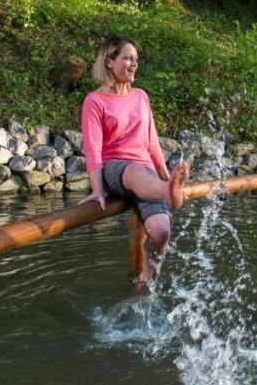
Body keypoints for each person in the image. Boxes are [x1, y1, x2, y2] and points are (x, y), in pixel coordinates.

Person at [80, 36, 189, 286]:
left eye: (136, 59)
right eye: (128, 58)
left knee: (162, 231)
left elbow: (151, 141)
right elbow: (93, 148)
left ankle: (144, 282)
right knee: (133, 171)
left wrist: (163, 172)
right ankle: (169, 190)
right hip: (114, 169)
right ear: (109, 61)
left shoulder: (141, 96)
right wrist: (97, 190)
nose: (134, 64)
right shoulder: (95, 101)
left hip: (146, 175)